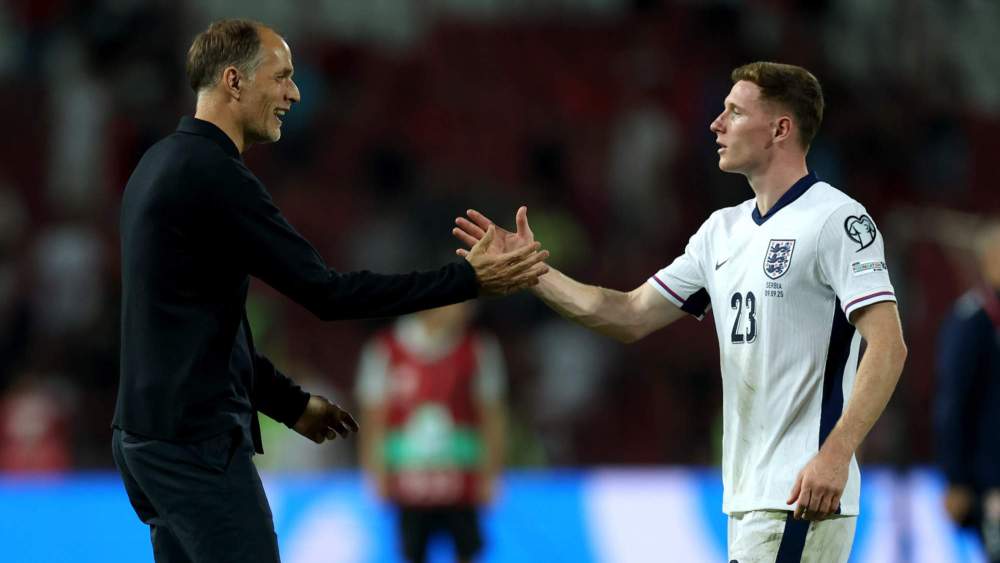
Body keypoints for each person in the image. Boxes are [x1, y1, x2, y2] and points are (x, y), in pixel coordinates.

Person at [112, 19, 547, 563]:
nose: (294, 93)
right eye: (282, 77)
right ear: (233, 81)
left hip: (144, 441)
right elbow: (328, 294)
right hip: (194, 447)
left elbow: (201, 326)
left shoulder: (156, 165)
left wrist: (288, 404)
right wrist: (467, 280)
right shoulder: (216, 176)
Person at [454, 62, 908, 562]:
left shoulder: (836, 219)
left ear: (781, 129)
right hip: (749, 498)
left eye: (734, 112)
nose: (715, 124)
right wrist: (532, 271)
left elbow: (888, 344)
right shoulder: (721, 230)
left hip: (799, 492)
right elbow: (628, 314)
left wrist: (837, 454)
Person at [356, 301, 505, 563]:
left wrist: (491, 473)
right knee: (413, 552)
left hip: (461, 477)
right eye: (459, 303)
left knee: (468, 550)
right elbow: (373, 416)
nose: (467, 311)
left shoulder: (479, 347)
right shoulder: (385, 348)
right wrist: (374, 470)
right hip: (409, 480)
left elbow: (491, 414)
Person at [935, 221, 1000, 563]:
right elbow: (952, 403)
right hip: (990, 484)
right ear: (989, 260)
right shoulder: (973, 320)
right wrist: (956, 479)